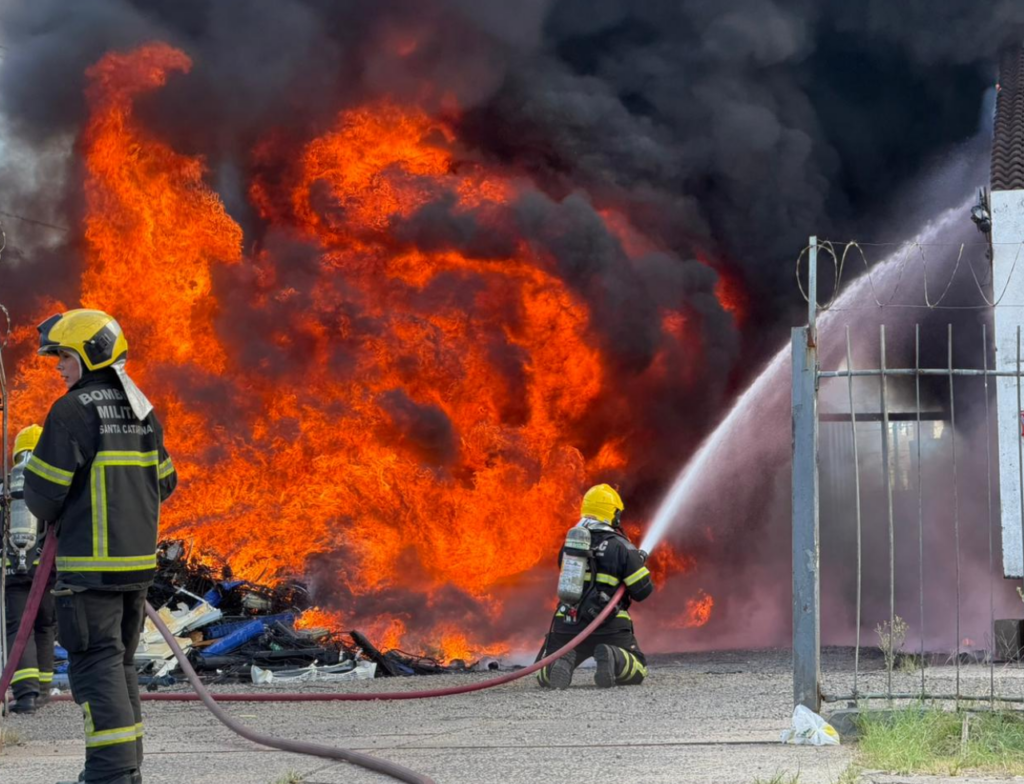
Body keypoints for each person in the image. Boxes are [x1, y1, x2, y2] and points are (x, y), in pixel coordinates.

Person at [23, 309, 176, 784]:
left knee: (94, 667)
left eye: (64, 356)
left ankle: (109, 774)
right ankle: (126, 770)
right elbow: (166, 482)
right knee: (119, 665)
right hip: (135, 568)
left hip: (90, 567)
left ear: (89, 355)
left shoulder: (71, 410)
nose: (58, 367)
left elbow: (44, 496)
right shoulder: (141, 408)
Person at [537, 483, 654, 689]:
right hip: (608, 626)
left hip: (568, 623)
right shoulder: (621, 546)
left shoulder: (571, 543)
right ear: (612, 514)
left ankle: (560, 661)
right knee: (637, 668)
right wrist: (636, 562)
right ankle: (612, 656)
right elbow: (642, 591)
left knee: (545, 673)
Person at [3, 423, 57, 714]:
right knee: (44, 626)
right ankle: (43, 691)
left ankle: (26, 695)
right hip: (46, 570)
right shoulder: (51, 483)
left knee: (18, 628)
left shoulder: (7, 485)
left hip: (14, 572)